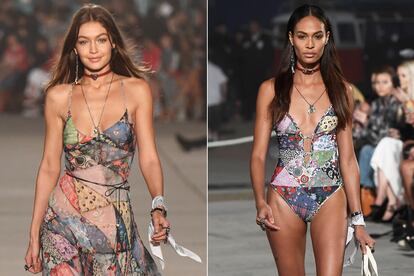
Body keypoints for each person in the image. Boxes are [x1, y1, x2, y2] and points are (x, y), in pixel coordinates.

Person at [24, 4, 169, 275]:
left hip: (112, 223)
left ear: (113, 42)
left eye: (100, 40)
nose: (93, 49)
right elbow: (48, 167)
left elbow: (149, 157)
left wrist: (158, 204)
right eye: (84, 41)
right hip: (62, 222)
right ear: (74, 48)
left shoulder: (136, 91)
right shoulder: (58, 96)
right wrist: (34, 234)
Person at [250, 5, 375, 275]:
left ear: (327, 38)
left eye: (317, 36)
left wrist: (359, 221)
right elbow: (258, 154)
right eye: (302, 36)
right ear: (291, 38)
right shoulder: (270, 90)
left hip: (330, 194)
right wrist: (260, 202)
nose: (310, 44)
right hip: (284, 196)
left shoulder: (342, 90)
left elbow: (349, 158)